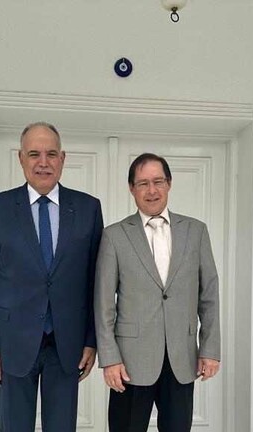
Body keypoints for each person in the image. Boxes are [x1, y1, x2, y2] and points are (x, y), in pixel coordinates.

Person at [0, 122, 103, 432]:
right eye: (34, 154)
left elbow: (95, 282)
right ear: (21, 158)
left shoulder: (88, 208)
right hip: (12, 344)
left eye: (51, 154)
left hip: (67, 344)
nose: (43, 162)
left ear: (62, 159)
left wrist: (91, 340)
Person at [94, 153, 221, 432]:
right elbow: (103, 304)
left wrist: (210, 349)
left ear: (169, 184)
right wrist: (110, 358)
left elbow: (209, 295)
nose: (151, 190)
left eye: (158, 181)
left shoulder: (196, 231)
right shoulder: (114, 236)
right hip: (130, 362)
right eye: (143, 183)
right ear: (131, 188)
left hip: (181, 358)